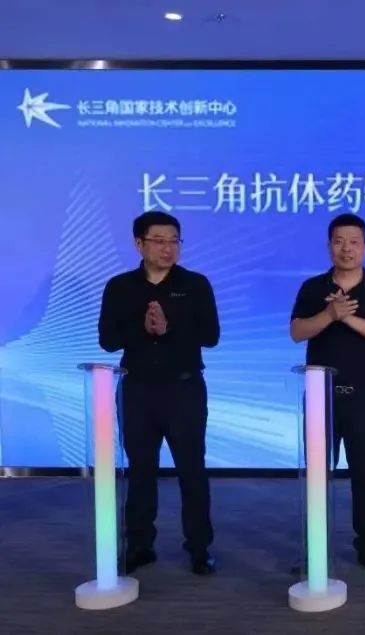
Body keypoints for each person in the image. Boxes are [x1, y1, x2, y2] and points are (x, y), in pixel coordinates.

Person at [97, 211, 220, 575]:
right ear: (139, 244)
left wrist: (169, 327)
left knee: (192, 470)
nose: (168, 248)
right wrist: (143, 328)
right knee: (140, 470)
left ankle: (199, 548)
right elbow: (107, 340)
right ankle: (139, 546)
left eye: (174, 241)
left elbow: (211, 336)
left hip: (184, 390)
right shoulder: (120, 287)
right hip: (136, 390)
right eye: (159, 241)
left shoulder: (195, 284)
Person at [290, 213, 365, 573]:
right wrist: (329, 314)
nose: (346, 249)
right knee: (317, 476)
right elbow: (297, 332)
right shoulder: (312, 288)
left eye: (353, 242)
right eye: (339, 241)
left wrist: (347, 316)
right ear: (329, 246)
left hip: (364, 394)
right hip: (320, 395)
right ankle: (315, 550)